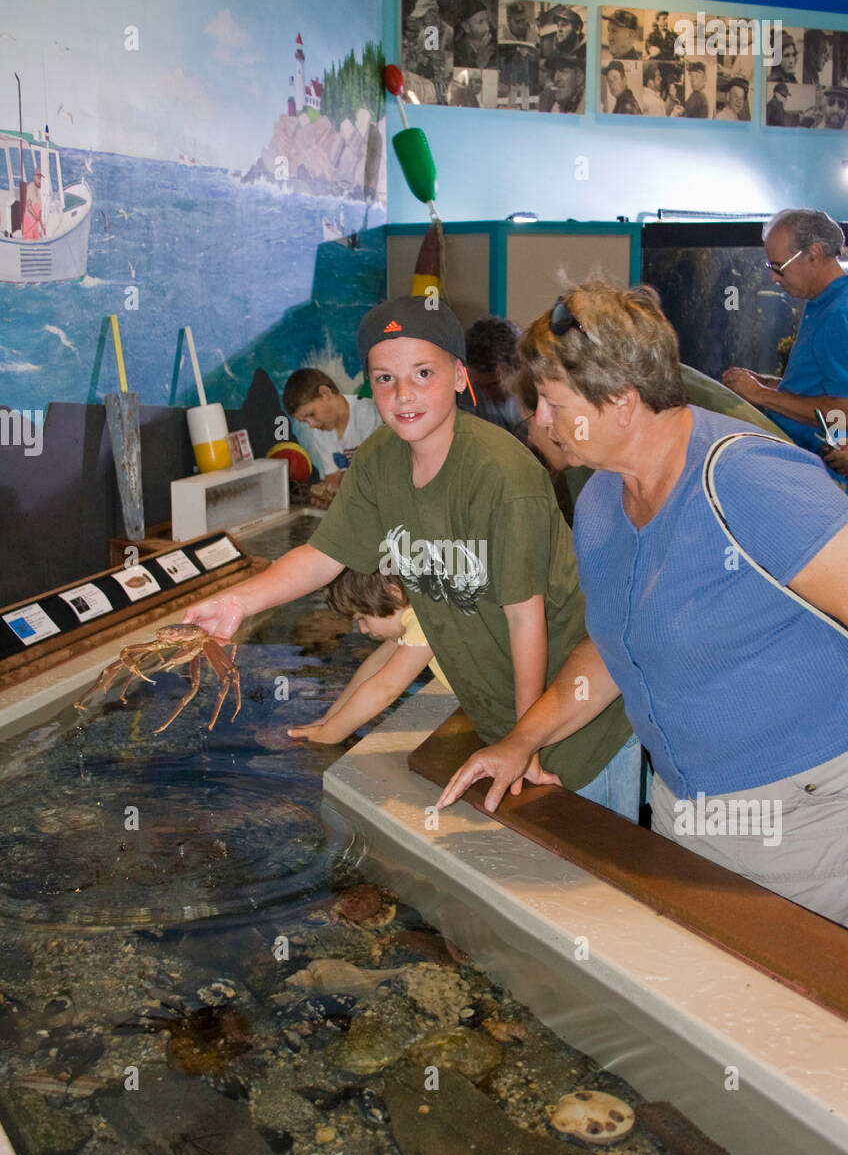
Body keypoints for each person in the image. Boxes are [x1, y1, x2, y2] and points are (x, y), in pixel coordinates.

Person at [438, 281, 848, 934]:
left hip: (812, 822)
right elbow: (614, 650)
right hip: (688, 818)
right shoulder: (602, 502)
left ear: (622, 401)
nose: (540, 424)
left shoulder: (745, 479)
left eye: (552, 404)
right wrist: (522, 740)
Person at [186, 296, 638, 819]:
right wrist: (238, 602)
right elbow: (322, 556)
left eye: (423, 372)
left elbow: (524, 618)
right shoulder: (379, 459)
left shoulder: (500, 476)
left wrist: (524, 742)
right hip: (507, 723)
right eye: (384, 378)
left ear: (459, 375)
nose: (403, 394)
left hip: (579, 726)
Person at [721, 208, 848, 504]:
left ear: (814, 253)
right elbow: (825, 386)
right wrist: (768, 383)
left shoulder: (842, 312)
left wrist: (763, 396)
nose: (773, 278)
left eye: (778, 266)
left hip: (827, 483)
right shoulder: (827, 302)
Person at [286, 568, 452, 745]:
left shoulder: (424, 622)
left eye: (362, 618)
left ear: (394, 593)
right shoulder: (421, 608)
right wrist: (330, 718)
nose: (364, 629)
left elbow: (385, 688)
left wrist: (330, 735)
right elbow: (377, 664)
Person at [283, 367, 381, 499]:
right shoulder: (321, 432)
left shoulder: (367, 413)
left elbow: (374, 472)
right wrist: (325, 495)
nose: (312, 425)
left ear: (326, 393)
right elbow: (333, 476)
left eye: (311, 414)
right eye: (305, 421)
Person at [457, 316, 529, 442]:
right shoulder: (466, 391)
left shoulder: (537, 395)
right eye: (479, 386)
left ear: (518, 367)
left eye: (494, 385)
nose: (486, 395)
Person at [454, 0, 496, 70]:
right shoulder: (456, 53)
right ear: (466, 27)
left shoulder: (493, 46)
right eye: (480, 22)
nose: (487, 28)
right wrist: (478, 64)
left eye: (487, 21)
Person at [22, 168, 45, 240]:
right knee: (28, 242)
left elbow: (39, 212)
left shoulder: (38, 191)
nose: (40, 181)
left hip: (35, 224)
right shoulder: (30, 187)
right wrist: (37, 217)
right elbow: (29, 207)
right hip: (29, 222)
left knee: (36, 242)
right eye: (38, 178)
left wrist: (42, 227)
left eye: (40, 178)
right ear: (34, 177)